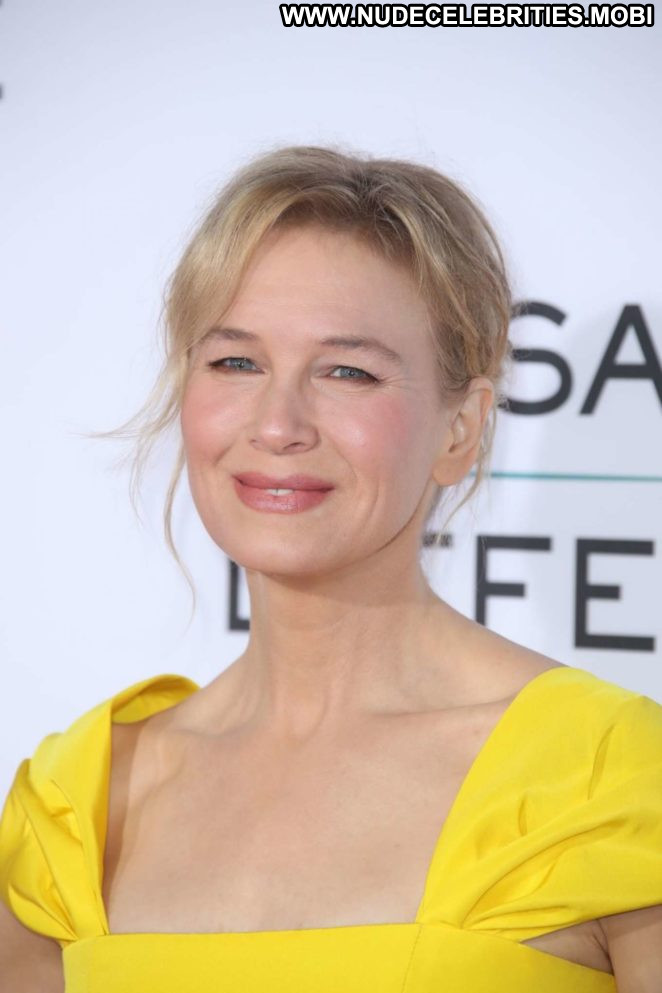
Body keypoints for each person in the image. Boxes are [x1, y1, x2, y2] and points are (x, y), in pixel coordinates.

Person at [1, 144, 660, 992]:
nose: (278, 424)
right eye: (236, 361)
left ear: (460, 429)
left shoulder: (611, 774)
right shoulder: (75, 806)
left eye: (348, 371)